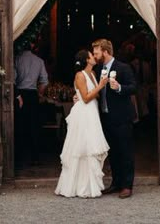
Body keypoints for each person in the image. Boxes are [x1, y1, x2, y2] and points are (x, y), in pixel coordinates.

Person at [55, 50, 109, 197]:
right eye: (91, 55)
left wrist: (95, 89)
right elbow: (85, 98)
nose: (94, 57)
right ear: (87, 60)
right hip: (83, 113)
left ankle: (90, 186)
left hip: (92, 112)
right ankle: (76, 186)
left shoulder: (92, 74)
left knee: (90, 147)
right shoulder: (80, 75)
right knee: (82, 148)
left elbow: (93, 94)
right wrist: (101, 85)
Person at [92, 38, 137, 198]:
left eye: (97, 52)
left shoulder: (123, 68)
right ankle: (116, 183)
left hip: (122, 117)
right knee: (113, 153)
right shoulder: (97, 69)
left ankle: (127, 186)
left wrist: (119, 87)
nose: (95, 55)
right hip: (105, 117)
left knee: (125, 152)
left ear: (105, 52)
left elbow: (133, 87)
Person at [14, 43, 49, 166]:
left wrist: (17, 95)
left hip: (20, 95)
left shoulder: (16, 59)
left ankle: (18, 157)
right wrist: (39, 93)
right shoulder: (39, 61)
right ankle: (35, 157)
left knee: (19, 126)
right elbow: (44, 81)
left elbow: (13, 79)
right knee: (34, 126)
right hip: (33, 94)